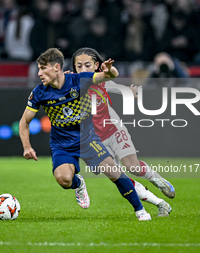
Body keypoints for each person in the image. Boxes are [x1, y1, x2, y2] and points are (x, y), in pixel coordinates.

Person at [19, 48, 151, 221]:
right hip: (62, 144)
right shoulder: (39, 92)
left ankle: (140, 211)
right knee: (64, 179)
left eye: (43, 68)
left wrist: (109, 69)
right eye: (39, 68)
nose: (39, 73)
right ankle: (79, 183)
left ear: (57, 67)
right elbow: (24, 122)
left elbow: (111, 76)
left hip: (88, 139)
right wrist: (27, 147)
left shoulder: (80, 80)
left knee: (114, 172)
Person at [71, 47, 174, 217]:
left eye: (87, 65)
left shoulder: (101, 80)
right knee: (119, 177)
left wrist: (129, 90)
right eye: (79, 66)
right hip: (94, 141)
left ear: (96, 65)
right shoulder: (70, 84)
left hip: (113, 130)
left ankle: (156, 179)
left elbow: (114, 77)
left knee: (131, 166)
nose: (83, 70)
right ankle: (161, 204)